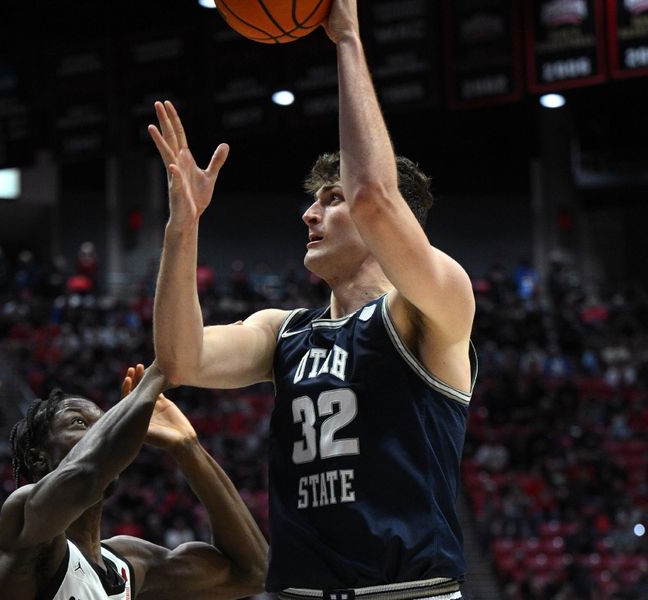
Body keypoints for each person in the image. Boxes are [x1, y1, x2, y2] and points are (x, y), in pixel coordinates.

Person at [148, 0, 476, 598]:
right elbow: (180, 358)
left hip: (408, 593)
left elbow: (374, 196)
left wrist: (347, 36)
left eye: (331, 198)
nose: (310, 212)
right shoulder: (285, 331)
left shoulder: (434, 305)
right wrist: (183, 227)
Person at [0, 364, 267, 600]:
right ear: (38, 459)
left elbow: (253, 573)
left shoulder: (129, 564)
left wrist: (187, 448)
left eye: (103, 422)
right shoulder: (24, 523)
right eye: (79, 423)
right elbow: (86, 472)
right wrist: (163, 369)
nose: (100, 431)